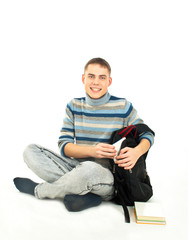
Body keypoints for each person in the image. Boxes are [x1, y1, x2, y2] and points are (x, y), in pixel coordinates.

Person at [14, 58, 154, 211]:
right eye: (91, 76)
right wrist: (91, 151)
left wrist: (137, 152)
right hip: (75, 167)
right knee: (30, 151)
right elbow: (64, 146)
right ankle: (86, 194)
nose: (96, 82)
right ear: (83, 78)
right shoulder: (73, 106)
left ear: (109, 81)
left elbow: (147, 134)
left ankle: (40, 190)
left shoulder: (123, 106)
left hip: (108, 177)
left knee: (89, 170)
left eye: (102, 77)